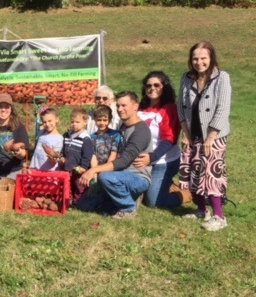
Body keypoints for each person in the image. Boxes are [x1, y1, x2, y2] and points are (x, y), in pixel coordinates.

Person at [178, 42, 232, 231]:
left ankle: (219, 216)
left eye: (203, 58)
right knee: (193, 172)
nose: (199, 62)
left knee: (211, 174)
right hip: (192, 134)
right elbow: (181, 107)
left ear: (211, 58)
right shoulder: (186, 78)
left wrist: (211, 137)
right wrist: (185, 134)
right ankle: (201, 210)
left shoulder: (221, 78)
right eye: (195, 58)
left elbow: (223, 109)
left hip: (213, 136)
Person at [77, 91, 152, 219]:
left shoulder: (141, 131)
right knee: (84, 205)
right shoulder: (124, 126)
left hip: (137, 177)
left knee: (106, 177)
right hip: (118, 174)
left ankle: (128, 208)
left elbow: (123, 161)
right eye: (118, 106)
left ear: (135, 106)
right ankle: (121, 199)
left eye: (124, 105)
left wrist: (93, 170)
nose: (119, 109)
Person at [134, 71, 184, 209]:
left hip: (162, 161)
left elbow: (169, 140)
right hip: (140, 160)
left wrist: (151, 157)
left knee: (153, 202)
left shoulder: (169, 108)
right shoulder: (141, 108)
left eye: (157, 85)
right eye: (148, 85)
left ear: (164, 87)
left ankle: (183, 194)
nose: (152, 88)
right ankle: (163, 185)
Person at [0, 93, 29, 181]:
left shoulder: (19, 127)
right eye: (0, 106)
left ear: (11, 109)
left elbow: (24, 154)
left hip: (13, 170)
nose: (3, 109)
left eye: (7, 107)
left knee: (8, 186)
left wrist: (18, 153)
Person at [59, 108, 94, 204]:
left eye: (77, 122)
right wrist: (62, 157)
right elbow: (63, 148)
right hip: (67, 167)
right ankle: (68, 201)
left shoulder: (85, 138)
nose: (74, 124)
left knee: (79, 186)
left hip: (78, 169)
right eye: (72, 122)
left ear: (85, 122)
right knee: (67, 185)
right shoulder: (66, 135)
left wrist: (84, 166)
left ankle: (78, 202)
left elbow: (87, 154)